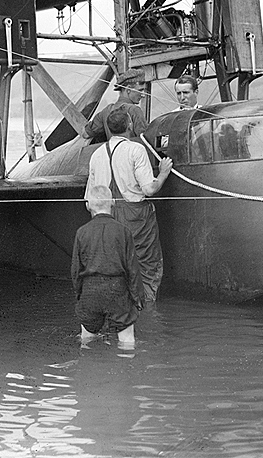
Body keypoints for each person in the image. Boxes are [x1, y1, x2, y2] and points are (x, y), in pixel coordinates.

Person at [85, 109, 173, 306]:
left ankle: (117, 309)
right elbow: (150, 189)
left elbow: (89, 201)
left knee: (114, 264)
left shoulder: (96, 155)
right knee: (146, 263)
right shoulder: (136, 149)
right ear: (130, 125)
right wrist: (164, 173)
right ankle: (147, 308)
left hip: (105, 216)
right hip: (135, 215)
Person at [71, 185, 144, 346]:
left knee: (87, 341)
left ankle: (89, 367)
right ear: (112, 202)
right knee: (127, 341)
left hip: (91, 292)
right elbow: (133, 270)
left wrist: (80, 297)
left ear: (88, 205)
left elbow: (76, 271)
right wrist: (138, 299)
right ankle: (127, 367)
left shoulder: (81, 232)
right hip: (117, 290)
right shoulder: (124, 231)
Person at [83, 68, 149, 143]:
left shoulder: (106, 111)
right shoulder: (134, 110)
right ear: (128, 89)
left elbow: (85, 134)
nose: (143, 95)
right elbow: (147, 140)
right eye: (140, 90)